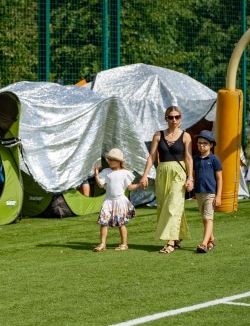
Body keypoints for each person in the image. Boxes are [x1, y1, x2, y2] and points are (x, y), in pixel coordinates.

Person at [140, 106, 194, 254]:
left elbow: (188, 158)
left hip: (179, 172)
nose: (174, 120)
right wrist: (144, 175)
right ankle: (178, 236)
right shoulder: (158, 135)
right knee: (165, 206)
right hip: (162, 172)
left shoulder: (185, 136)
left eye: (177, 117)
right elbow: (151, 156)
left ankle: (170, 242)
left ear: (180, 118)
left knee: (173, 205)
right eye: (171, 117)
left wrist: (190, 178)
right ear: (166, 118)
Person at [93, 148, 139, 252]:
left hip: (120, 201)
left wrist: (139, 185)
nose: (109, 162)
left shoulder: (125, 173)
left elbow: (130, 187)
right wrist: (96, 175)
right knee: (103, 222)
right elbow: (101, 185)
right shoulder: (106, 172)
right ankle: (102, 244)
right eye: (108, 160)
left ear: (119, 161)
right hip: (108, 201)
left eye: (112, 160)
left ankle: (124, 244)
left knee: (121, 223)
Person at [193, 130, 222, 253]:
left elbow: (220, 178)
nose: (201, 145)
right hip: (199, 192)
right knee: (204, 218)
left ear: (211, 145)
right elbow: (193, 175)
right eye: (199, 143)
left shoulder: (214, 159)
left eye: (205, 143)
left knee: (208, 218)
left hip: (211, 192)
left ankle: (204, 243)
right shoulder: (195, 159)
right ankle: (211, 240)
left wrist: (218, 195)